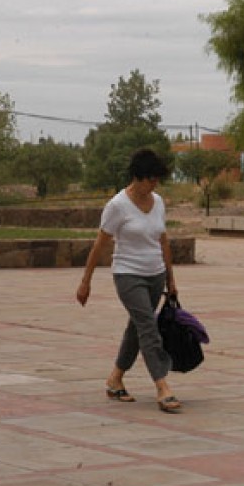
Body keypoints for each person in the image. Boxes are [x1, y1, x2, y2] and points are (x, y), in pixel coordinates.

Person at [76, 148, 182, 413]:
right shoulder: (117, 205)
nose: (155, 184)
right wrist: (85, 281)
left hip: (155, 274)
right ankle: (162, 386)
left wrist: (171, 279)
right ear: (137, 176)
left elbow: (163, 240)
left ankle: (115, 379)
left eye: (158, 178)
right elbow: (99, 244)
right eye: (151, 178)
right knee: (148, 326)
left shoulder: (158, 202)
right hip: (128, 274)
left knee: (137, 328)